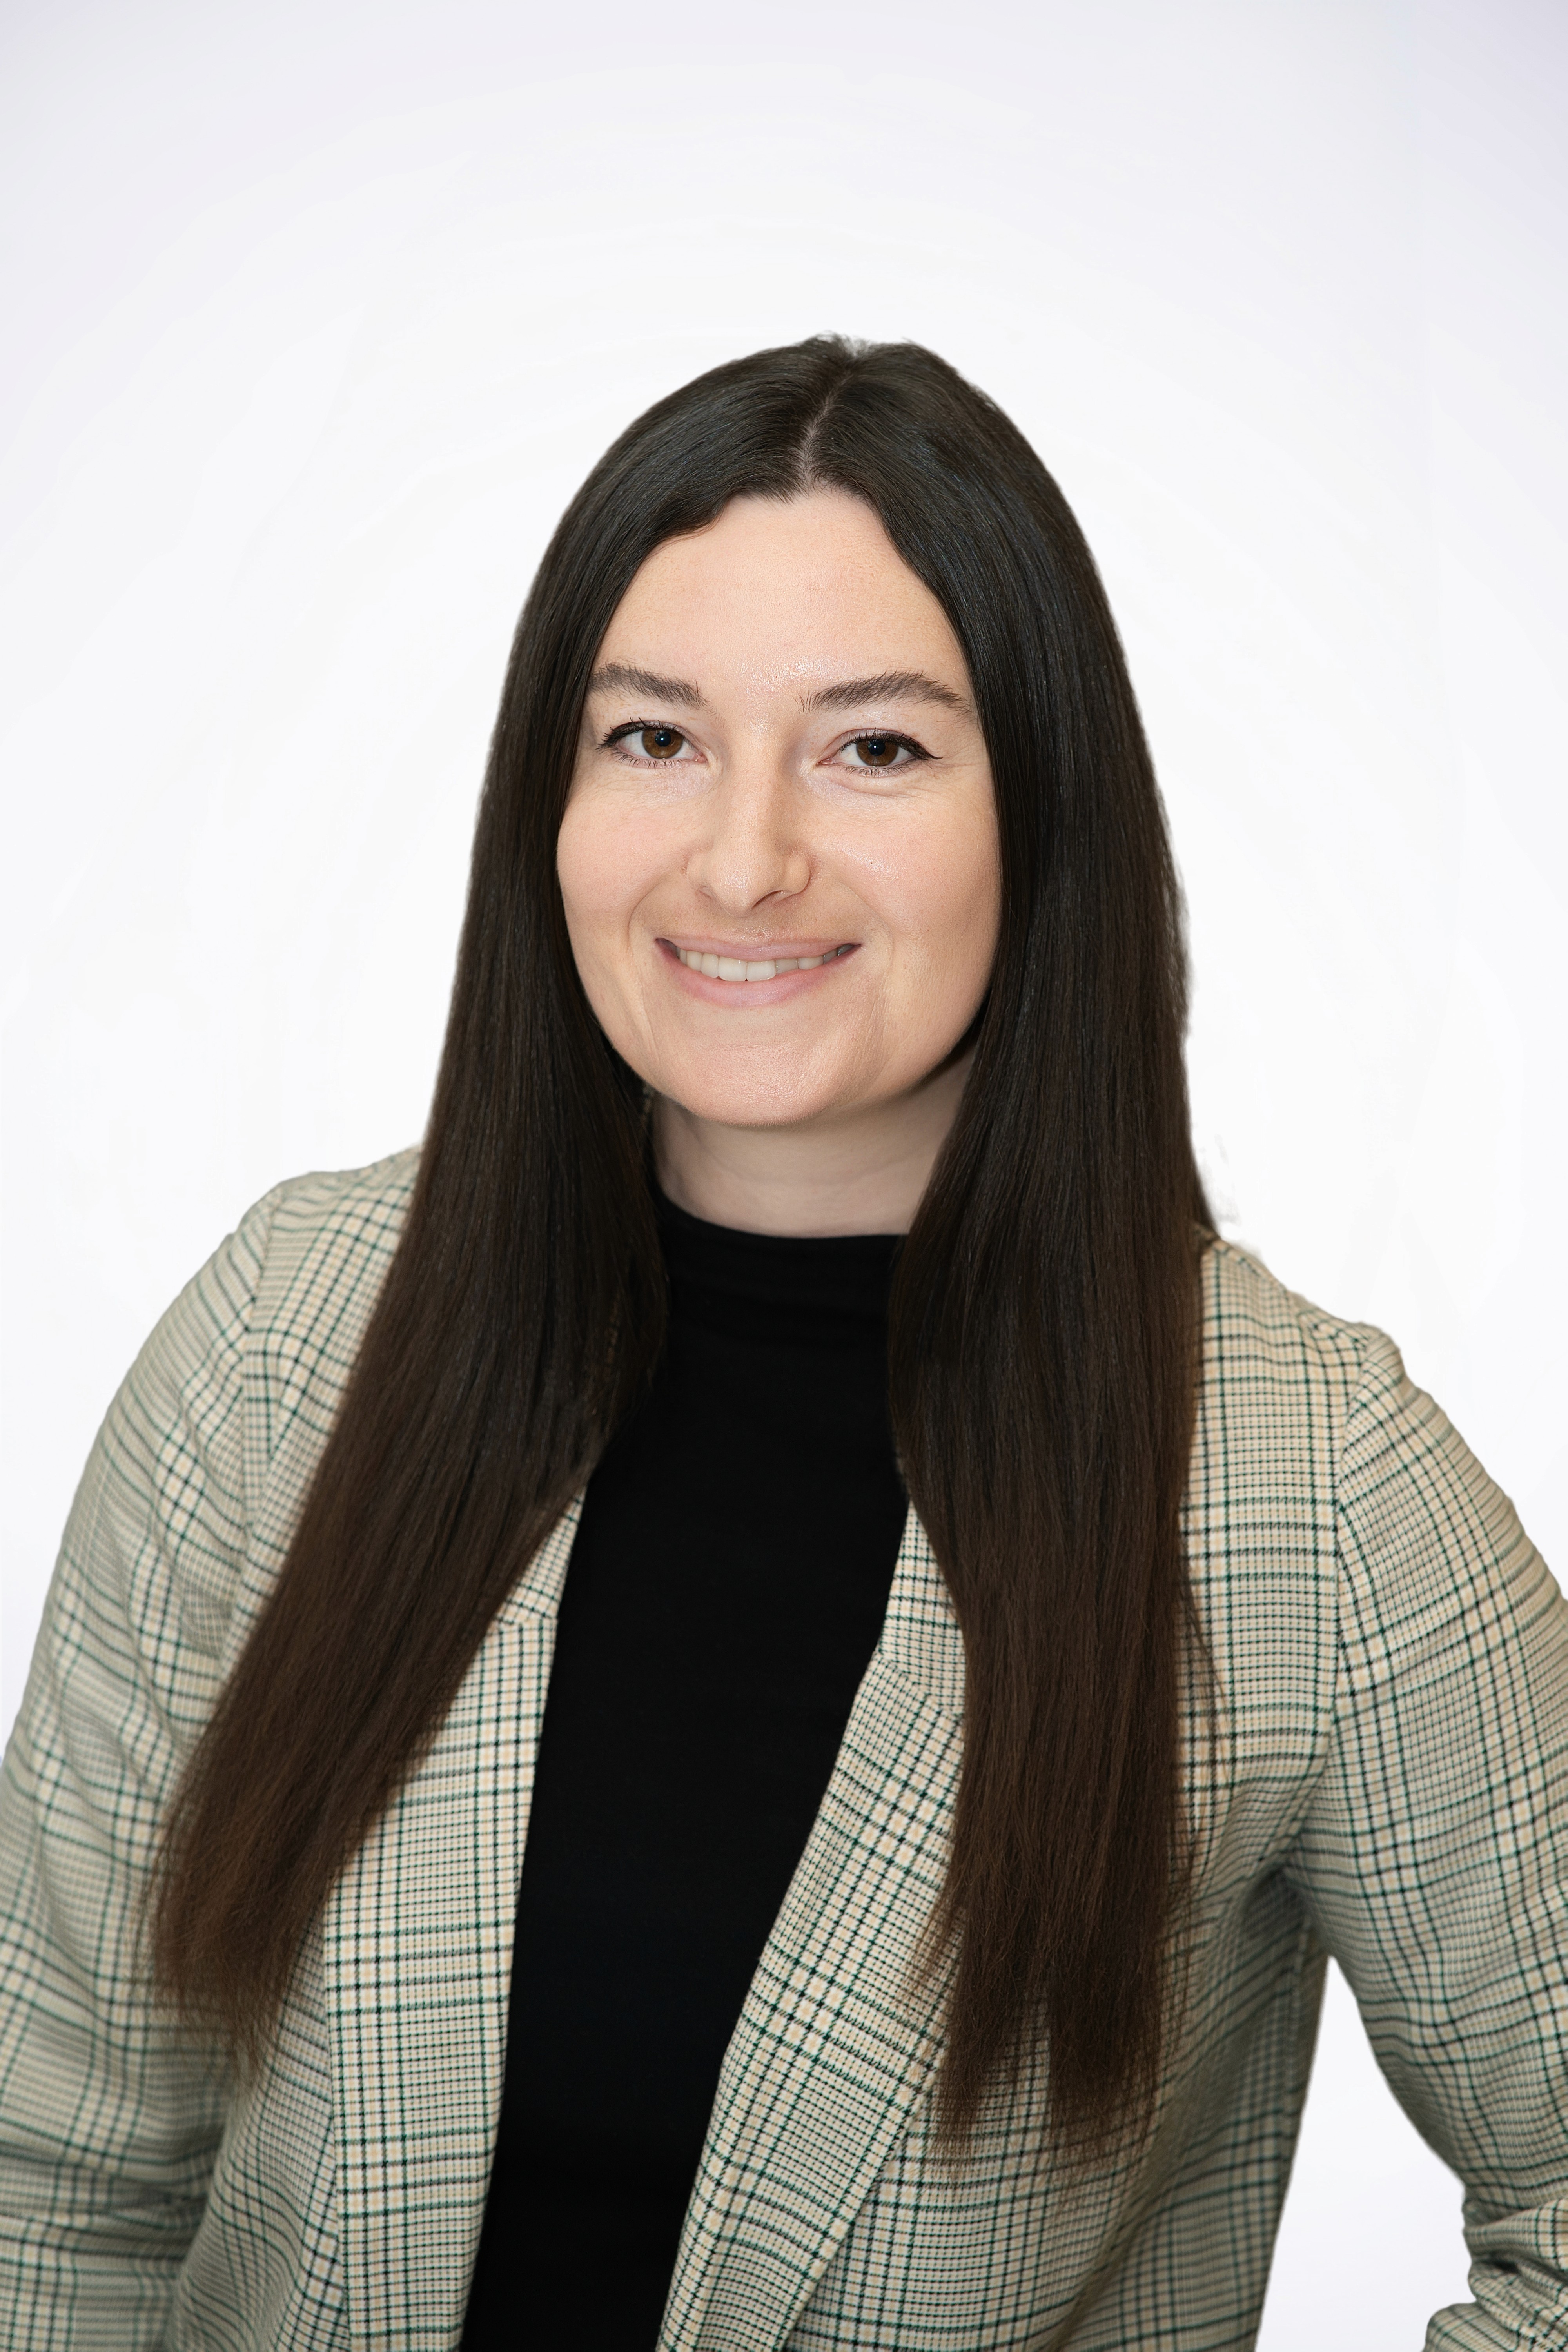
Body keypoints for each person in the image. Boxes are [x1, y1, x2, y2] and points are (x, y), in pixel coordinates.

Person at [1, 335, 1563, 2352]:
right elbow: (51, 2182)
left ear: (1044, 814)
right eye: (652, 738)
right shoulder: (289, 1346)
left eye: (874, 749)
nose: (741, 860)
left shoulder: (1300, 1480)